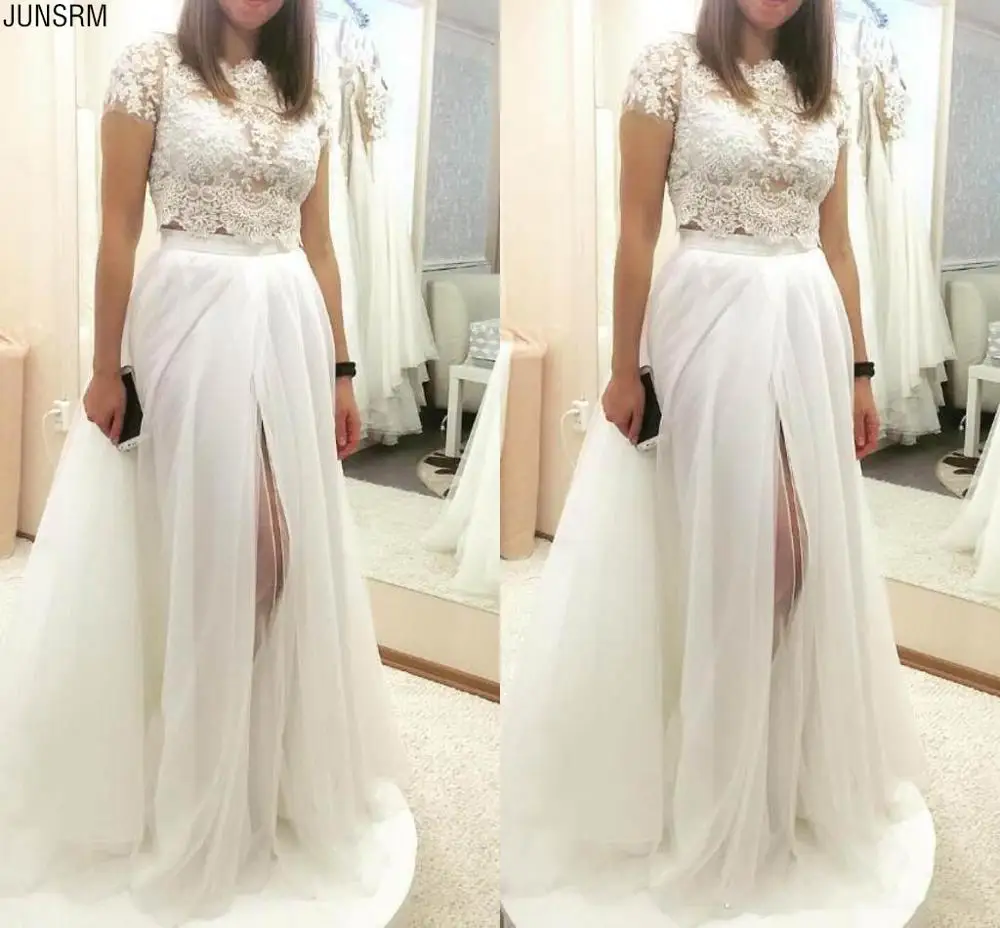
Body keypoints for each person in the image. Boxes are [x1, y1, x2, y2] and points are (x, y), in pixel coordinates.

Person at [501, 0, 934, 924]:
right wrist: (624, 365)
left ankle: (777, 769)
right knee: (749, 551)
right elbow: (635, 229)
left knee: (799, 561)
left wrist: (861, 371)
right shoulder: (668, 67)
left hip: (808, 322)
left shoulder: (827, 84)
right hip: (711, 316)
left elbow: (839, 243)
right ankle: (714, 787)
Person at [0, 0, 415, 923]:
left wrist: (344, 369)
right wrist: (104, 367)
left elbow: (320, 243)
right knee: (228, 546)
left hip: (288, 320)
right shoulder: (149, 66)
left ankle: (253, 759)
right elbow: (118, 231)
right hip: (190, 315)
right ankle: (195, 777)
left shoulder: (311, 84)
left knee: (278, 554)